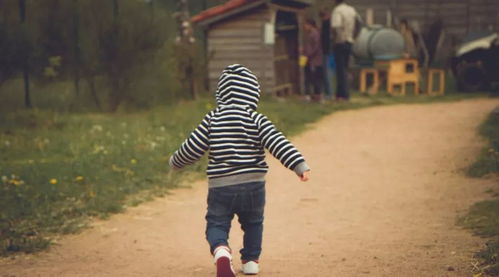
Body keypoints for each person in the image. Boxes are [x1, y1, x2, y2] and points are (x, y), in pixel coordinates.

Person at [169, 64, 311, 277]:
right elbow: (277, 142)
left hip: (221, 187)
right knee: (253, 223)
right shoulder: (256, 119)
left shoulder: (212, 119)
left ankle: (221, 251)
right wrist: (298, 164)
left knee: (217, 223)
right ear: (253, 93)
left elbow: (192, 147)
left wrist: (175, 162)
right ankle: (251, 260)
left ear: (221, 93)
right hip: (254, 185)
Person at [331, 0, 358, 101]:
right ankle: (341, 93)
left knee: (340, 69)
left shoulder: (337, 10)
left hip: (340, 42)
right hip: (349, 41)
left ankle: (343, 94)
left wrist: (337, 39)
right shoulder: (351, 10)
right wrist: (353, 37)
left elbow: (336, 26)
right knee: (345, 68)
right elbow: (359, 24)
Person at [303, 19, 324, 102]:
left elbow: (315, 47)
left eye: (305, 25)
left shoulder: (314, 34)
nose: (304, 27)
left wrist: (308, 54)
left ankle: (318, 96)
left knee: (315, 78)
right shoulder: (310, 34)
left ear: (310, 25)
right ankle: (314, 95)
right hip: (311, 59)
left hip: (314, 61)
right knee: (311, 78)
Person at [320, 11, 334, 100]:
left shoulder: (326, 25)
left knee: (326, 73)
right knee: (327, 73)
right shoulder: (330, 24)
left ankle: (328, 93)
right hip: (328, 51)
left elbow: (324, 39)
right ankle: (328, 92)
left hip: (326, 51)